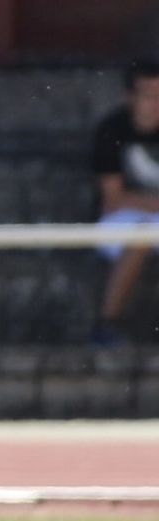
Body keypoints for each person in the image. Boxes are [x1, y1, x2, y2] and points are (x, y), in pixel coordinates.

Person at [90, 56, 159, 343]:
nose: (155, 103)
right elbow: (114, 198)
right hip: (119, 219)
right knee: (141, 235)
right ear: (129, 97)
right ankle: (107, 323)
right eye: (148, 95)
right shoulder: (112, 130)